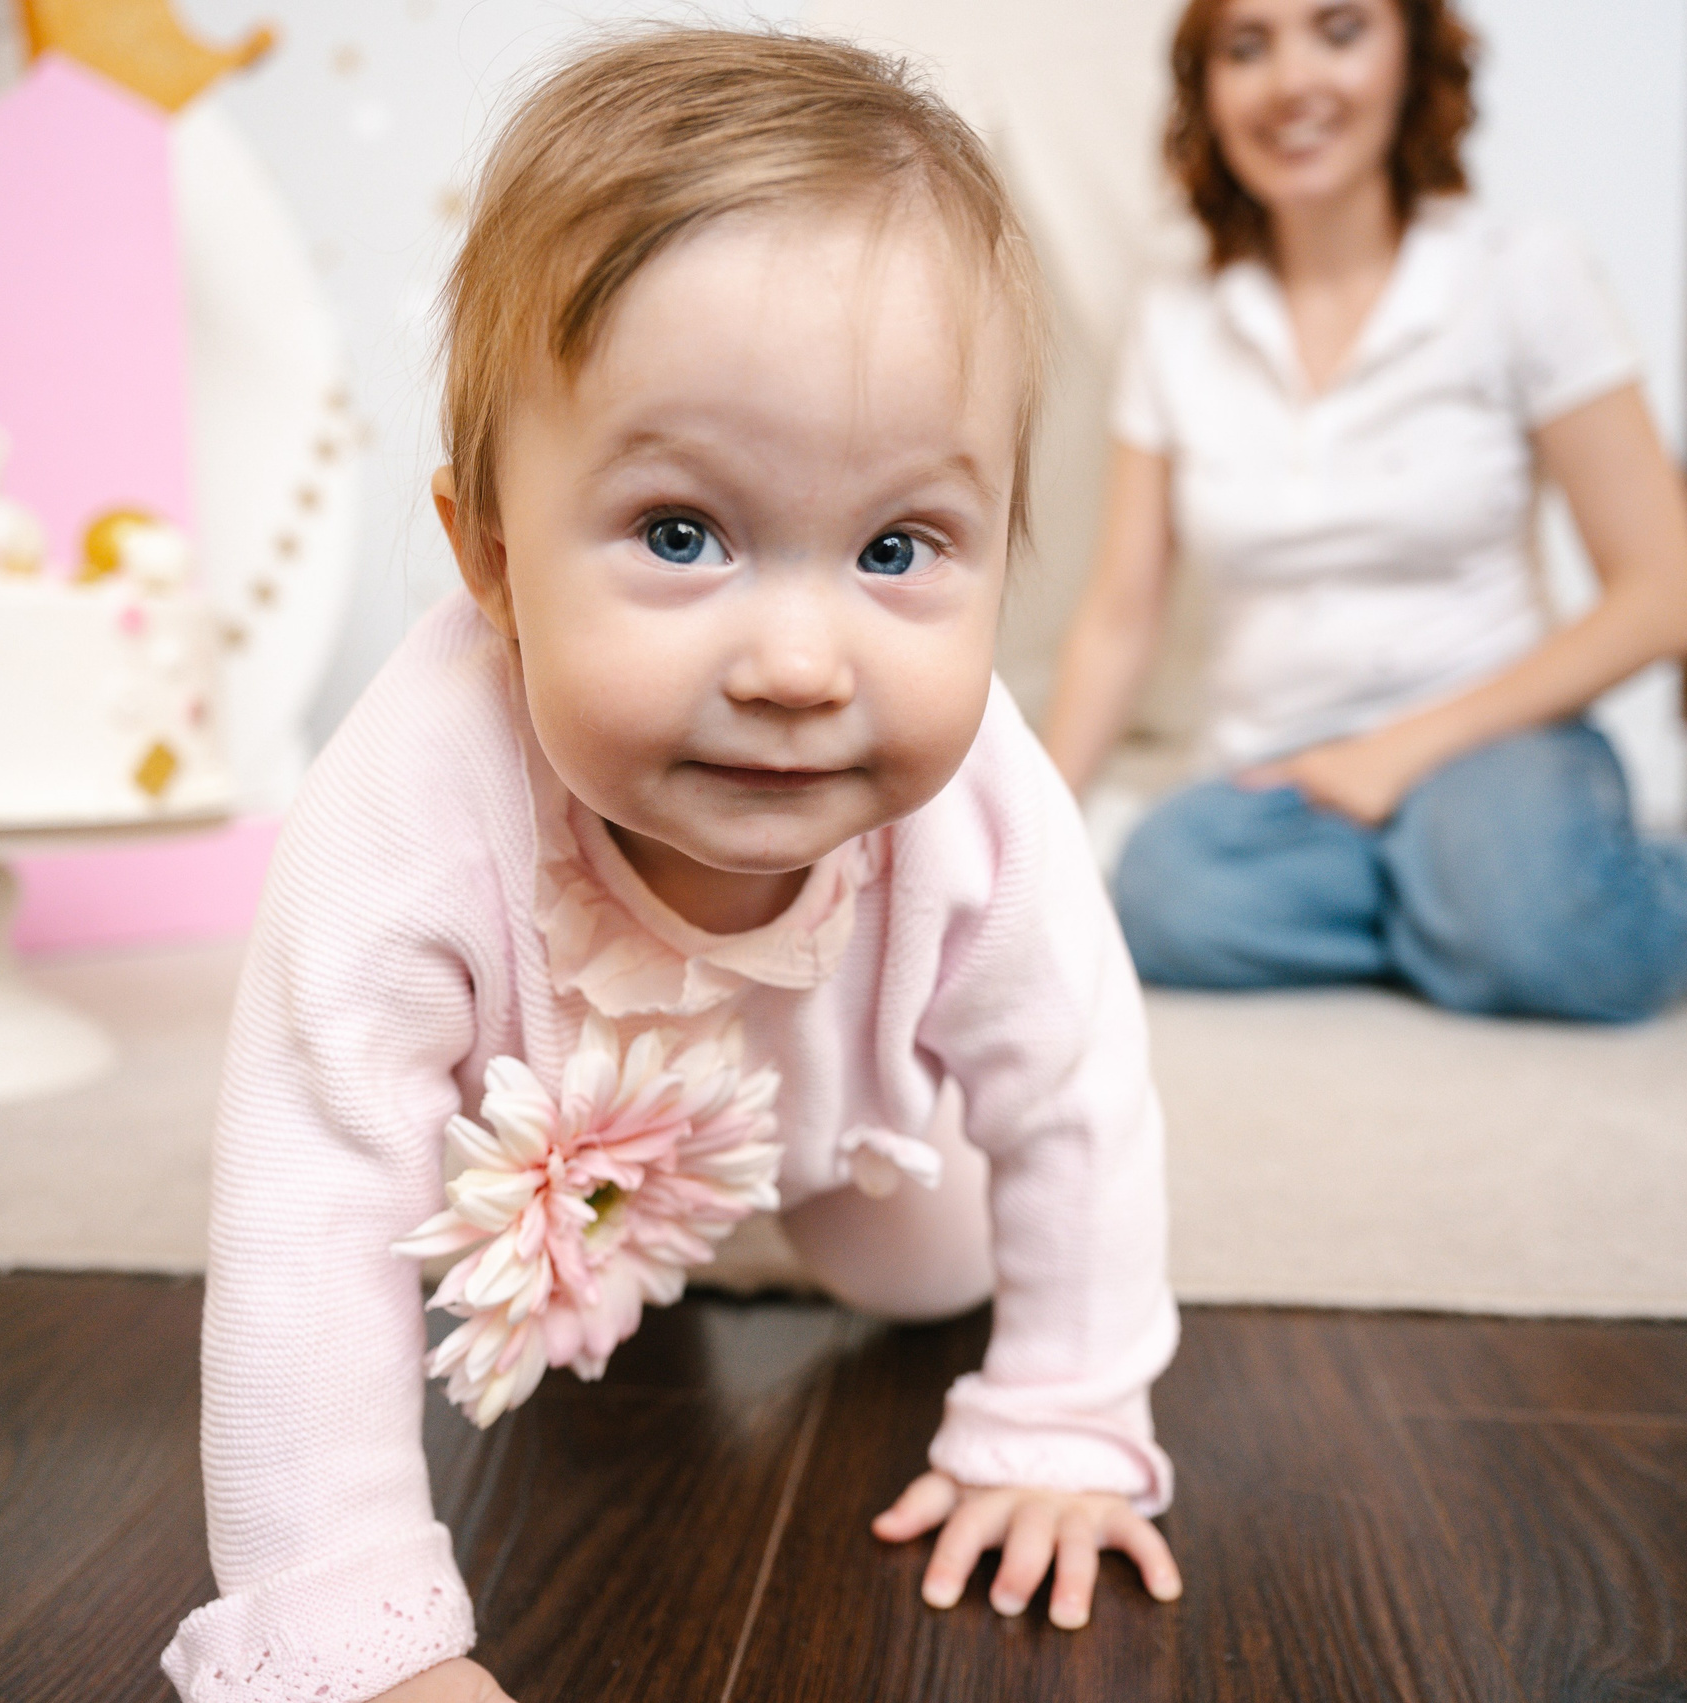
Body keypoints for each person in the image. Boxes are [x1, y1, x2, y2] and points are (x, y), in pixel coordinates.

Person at [161, 31, 1183, 1703]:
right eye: (683, 534)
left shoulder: (983, 790)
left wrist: (1066, 1417)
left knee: (931, 1264)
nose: (798, 658)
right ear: (490, 555)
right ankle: (642, 1246)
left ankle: (821, 1217)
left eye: (898, 547)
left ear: (1006, 547)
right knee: (514, 1301)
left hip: (852, 1114)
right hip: (537, 1122)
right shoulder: (405, 801)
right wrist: (348, 1632)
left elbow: (1076, 1088)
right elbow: (308, 1208)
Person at [1044, 0, 1687, 1020]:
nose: (1291, 82)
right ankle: (1472, 909)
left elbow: (1667, 599)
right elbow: (1119, 611)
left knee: (1543, 940)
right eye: (1247, 46)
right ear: (1207, 90)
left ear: (1412, 59)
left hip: (1495, 737)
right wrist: (1034, 828)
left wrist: (1396, 754)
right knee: (1160, 896)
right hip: (1285, 773)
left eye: (1338, 30)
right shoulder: (1178, 320)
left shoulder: (1520, 272)